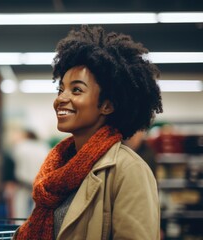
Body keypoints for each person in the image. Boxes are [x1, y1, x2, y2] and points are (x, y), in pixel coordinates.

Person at [14, 25, 163, 240]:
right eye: (61, 89)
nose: (61, 99)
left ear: (107, 105)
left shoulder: (128, 170)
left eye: (76, 90)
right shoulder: (59, 167)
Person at [10, 128, 50, 218]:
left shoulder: (20, 146)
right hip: (40, 183)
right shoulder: (43, 147)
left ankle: (19, 230)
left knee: (19, 212)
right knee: (36, 211)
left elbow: (14, 161)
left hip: (23, 184)